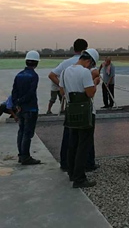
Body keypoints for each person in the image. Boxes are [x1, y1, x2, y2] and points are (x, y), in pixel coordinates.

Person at [47, 38, 88, 170]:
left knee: (68, 134)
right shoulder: (85, 63)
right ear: (84, 50)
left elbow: (52, 75)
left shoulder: (66, 63)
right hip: (83, 104)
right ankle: (84, 164)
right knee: (83, 136)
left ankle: (65, 163)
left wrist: (63, 88)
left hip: (70, 103)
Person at [61, 49, 100, 188]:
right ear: (89, 61)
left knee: (73, 143)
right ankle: (79, 178)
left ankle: (72, 173)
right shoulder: (84, 72)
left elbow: (62, 91)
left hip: (71, 111)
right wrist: (95, 82)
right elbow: (90, 93)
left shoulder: (65, 71)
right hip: (86, 113)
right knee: (83, 145)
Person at [12, 51, 42, 165]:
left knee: (21, 131)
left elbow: (14, 91)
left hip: (21, 109)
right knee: (27, 133)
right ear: (36, 63)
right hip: (30, 108)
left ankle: (21, 155)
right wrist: (21, 101)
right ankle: (25, 156)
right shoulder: (34, 76)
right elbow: (31, 92)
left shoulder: (19, 75)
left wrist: (17, 103)